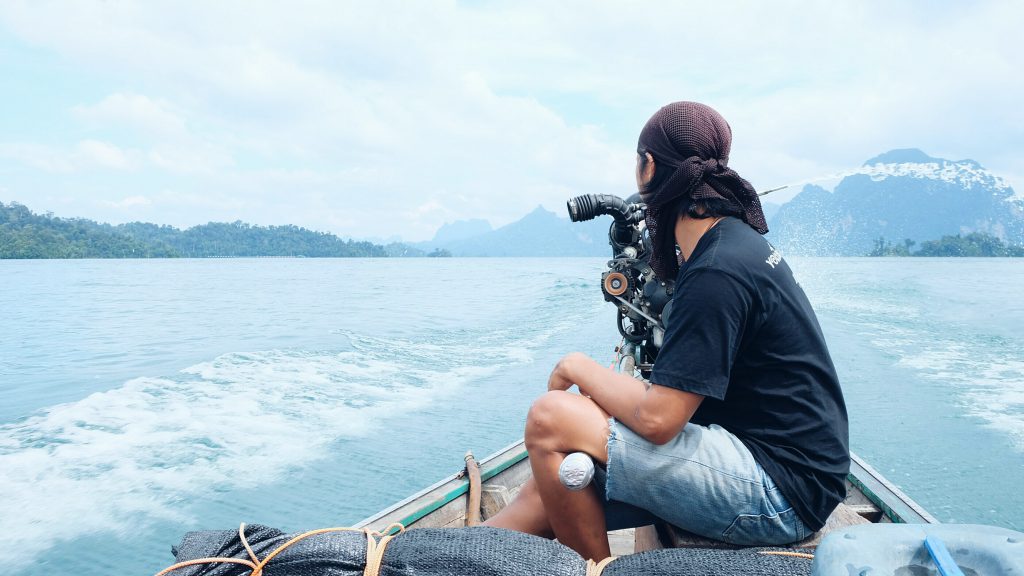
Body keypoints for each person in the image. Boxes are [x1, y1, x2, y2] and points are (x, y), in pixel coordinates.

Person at [483, 101, 850, 561]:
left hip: (781, 492)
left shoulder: (716, 269)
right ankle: (432, 558)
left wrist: (576, 366)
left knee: (550, 418)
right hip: (792, 467)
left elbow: (658, 420)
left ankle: (600, 573)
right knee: (552, 482)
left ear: (649, 167)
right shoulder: (735, 245)